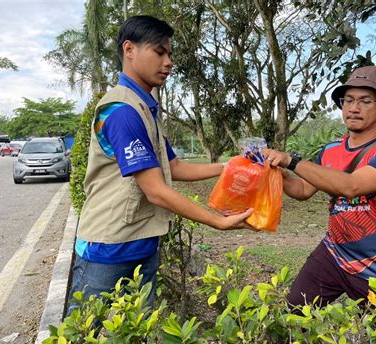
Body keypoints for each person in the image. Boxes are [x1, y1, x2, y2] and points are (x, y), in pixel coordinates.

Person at [66, 15, 253, 315]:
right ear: (129, 50)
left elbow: (175, 167)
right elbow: (155, 190)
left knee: (137, 338)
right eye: (159, 52)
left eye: (170, 54)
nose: (168, 62)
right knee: (88, 339)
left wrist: (231, 166)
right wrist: (217, 221)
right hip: (107, 249)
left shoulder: (145, 109)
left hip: (142, 244)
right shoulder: (121, 111)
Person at [263, 66, 376, 344]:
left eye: (365, 101)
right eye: (348, 100)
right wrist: (272, 169)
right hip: (333, 254)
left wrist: (290, 160)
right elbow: (302, 191)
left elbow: (351, 187)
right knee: (293, 315)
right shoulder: (330, 151)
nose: (354, 108)